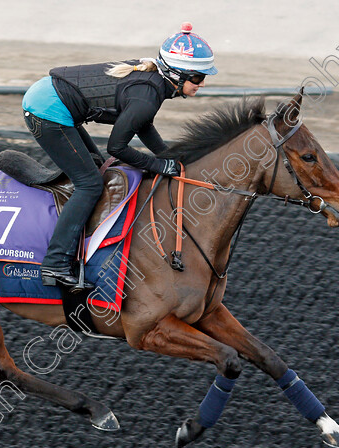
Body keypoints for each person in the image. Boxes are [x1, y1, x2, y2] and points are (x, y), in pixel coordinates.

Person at [22, 22, 218, 292]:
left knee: (93, 169)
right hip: (47, 111)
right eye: (197, 78)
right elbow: (117, 147)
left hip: (55, 101)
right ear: (176, 75)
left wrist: (170, 157)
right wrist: (160, 165)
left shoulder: (154, 86)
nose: (203, 84)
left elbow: (142, 124)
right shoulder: (147, 97)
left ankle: (75, 235)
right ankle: (55, 264)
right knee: (89, 184)